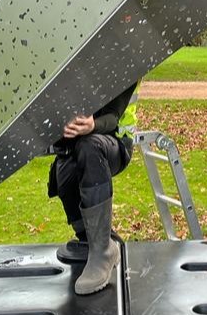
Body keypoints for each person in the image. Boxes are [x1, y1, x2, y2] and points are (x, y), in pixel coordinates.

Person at [48, 81, 139, 295]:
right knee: (64, 169)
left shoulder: (127, 60)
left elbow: (114, 117)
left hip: (115, 142)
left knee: (89, 147)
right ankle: (90, 239)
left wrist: (93, 125)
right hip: (80, 142)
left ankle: (102, 252)